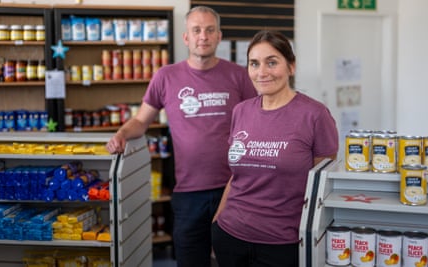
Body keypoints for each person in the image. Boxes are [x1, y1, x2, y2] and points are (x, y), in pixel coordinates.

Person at [105, 6, 257, 267]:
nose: (203, 36)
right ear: (186, 37)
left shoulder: (239, 75)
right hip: (188, 193)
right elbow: (141, 121)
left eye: (209, 30)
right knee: (190, 261)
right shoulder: (166, 76)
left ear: (219, 36)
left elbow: (259, 121)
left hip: (235, 188)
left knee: (236, 261)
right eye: (196, 30)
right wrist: (121, 134)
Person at [211, 30, 339, 267]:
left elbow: (323, 185)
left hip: (283, 244)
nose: (262, 72)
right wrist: (217, 220)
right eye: (254, 63)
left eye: (272, 62)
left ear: (291, 67)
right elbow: (236, 175)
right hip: (230, 235)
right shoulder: (241, 111)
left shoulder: (315, 115)